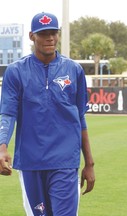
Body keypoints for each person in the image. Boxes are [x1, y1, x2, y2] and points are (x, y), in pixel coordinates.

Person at [0, 12, 95, 215]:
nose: (49, 38)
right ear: (32, 35)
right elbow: (8, 114)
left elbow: (80, 118)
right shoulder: (15, 71)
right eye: (44, 34)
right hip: (30, 162)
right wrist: (2, 147)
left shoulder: (74, 70)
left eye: (53, 32)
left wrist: (89, 163)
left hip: (65, 162)